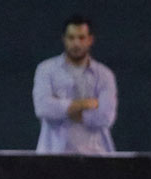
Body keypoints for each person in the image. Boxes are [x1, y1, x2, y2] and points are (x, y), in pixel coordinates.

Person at [33, 14, 117, 154]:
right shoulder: (46, 69)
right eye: (71, 38)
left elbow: (105, 117)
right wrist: (85, 104)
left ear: (90, 40)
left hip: (95, 154)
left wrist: (61, 108)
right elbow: (43, 108)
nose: (76, 43)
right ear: (64, 39)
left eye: (81, 38)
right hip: (54, 154)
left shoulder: (104, 75)